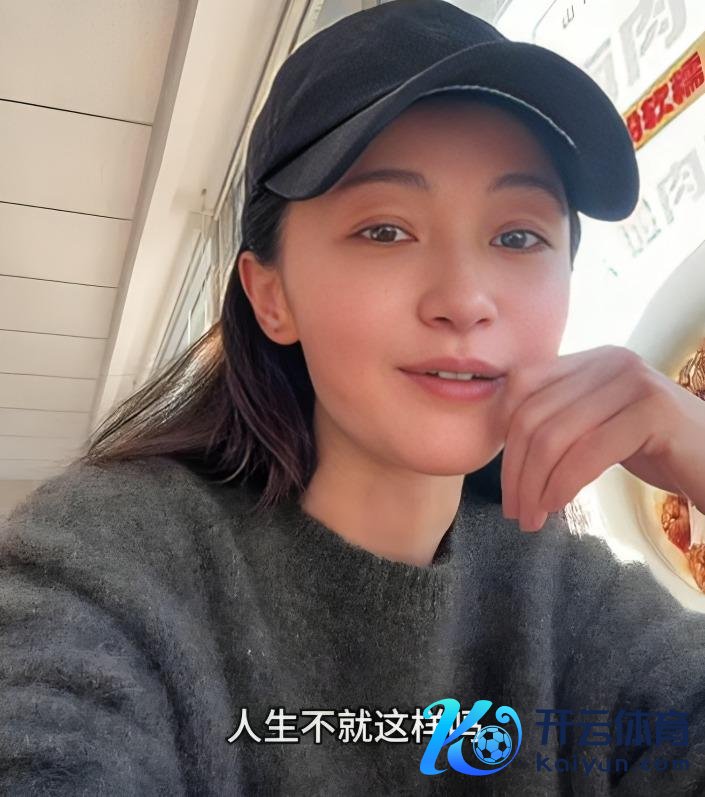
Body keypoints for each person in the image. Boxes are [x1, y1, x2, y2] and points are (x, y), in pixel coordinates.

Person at [2, 1, 705, 794]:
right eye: (385, 230)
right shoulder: (115, 558)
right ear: (271, 296)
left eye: (517, 236)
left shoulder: (574, 601)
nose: (464, 299)